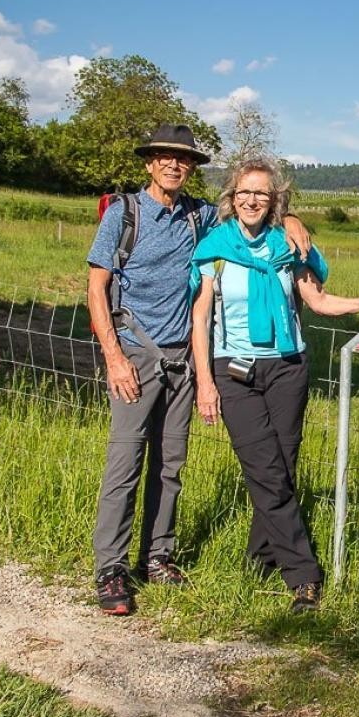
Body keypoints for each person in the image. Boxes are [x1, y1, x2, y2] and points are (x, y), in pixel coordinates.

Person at [85, 124, 311, 617]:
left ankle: (158, 557)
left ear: (191, 169)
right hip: (135, 353)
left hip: (184, 358)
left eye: (183, 160)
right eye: (165, 157)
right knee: (125, 464)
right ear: (149, 163)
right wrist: (114, 357)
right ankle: (111, 568)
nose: (174, 165)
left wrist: (291, 219)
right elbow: (96, 289)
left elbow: (252, 211)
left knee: (171, 463)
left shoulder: (200, 217)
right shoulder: (124, 214)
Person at [189, 157, 359, 614]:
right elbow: (201, 318)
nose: (251, 200)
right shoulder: (216, 248)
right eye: (244, 192)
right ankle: (304, 575)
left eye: (261, 194)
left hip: (288, 367)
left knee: (282, 467)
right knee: (264, 469)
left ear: (273, 201)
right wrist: (204, 382)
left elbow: (318, 300)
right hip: (234, 371)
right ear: (232, 197)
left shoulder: (289, 246)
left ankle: (259, 558)